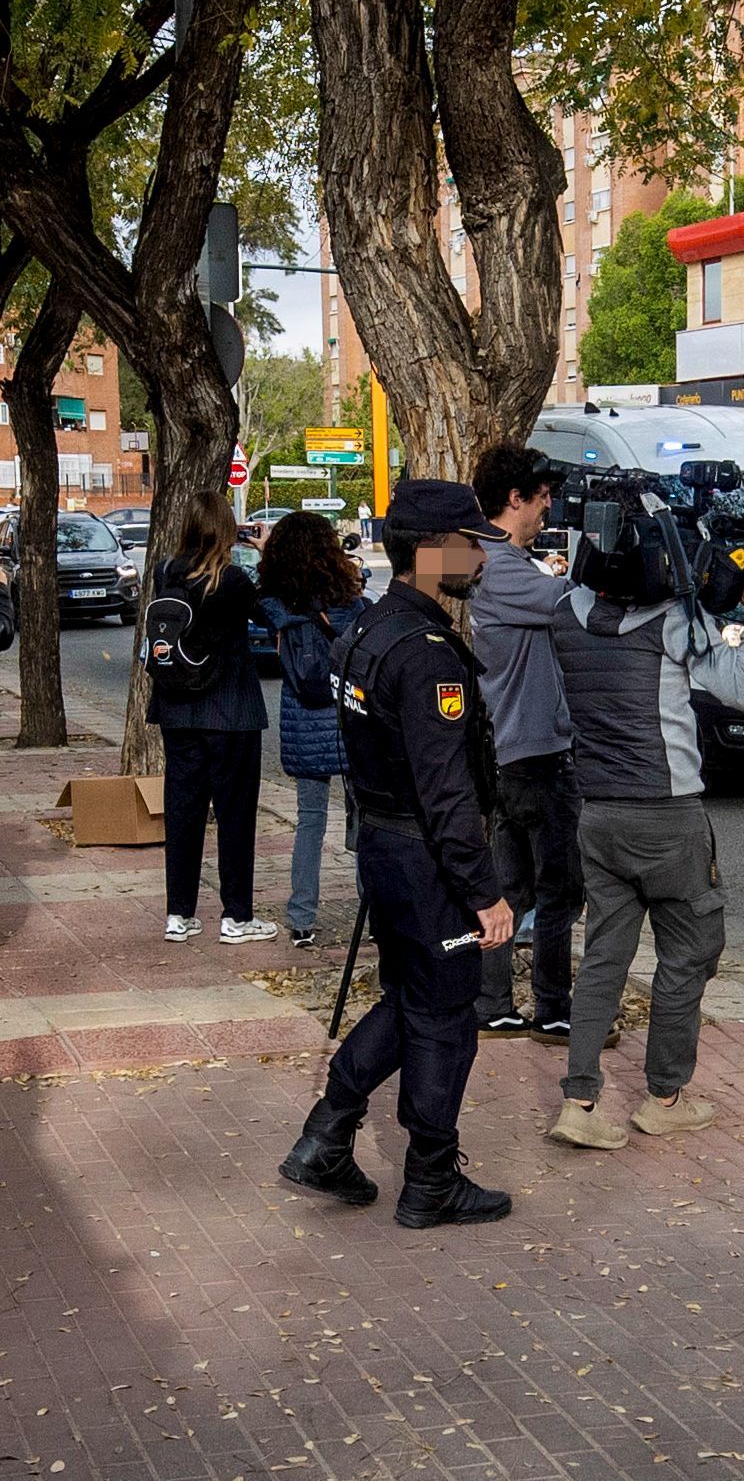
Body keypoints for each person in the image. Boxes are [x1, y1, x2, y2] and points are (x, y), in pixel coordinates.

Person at [278, 480, 516, 1228]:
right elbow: (446, 791)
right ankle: (430, 1179)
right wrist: (485, 892)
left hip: (383, 847)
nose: (481, 556)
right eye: (471, 543)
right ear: (432, 550)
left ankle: (326, 1134)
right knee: (444, 1013)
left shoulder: (369, 630)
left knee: (411, 997)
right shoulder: (425, 654)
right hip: (424, 859)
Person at [542, 538, 744, 1149]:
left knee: (603, 958)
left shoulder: (564, 613)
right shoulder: (676, 620)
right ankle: (664, 1098)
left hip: (598, 812)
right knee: (688, 956)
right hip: (668, 816)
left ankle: (579, 1102)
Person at [466, 444, 589, 1044]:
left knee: (509, 888)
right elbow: (578, 606)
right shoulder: (505, 570)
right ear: (515, 499)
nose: (548, 510)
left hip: (505, 751)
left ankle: (493, 1004)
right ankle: (554, 1008)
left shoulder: (476, 558)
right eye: (542, 499)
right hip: (536, 753)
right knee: (559, 889)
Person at [149, 493, 278, 945]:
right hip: (231, 709)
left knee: (183, 812)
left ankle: (178, 914)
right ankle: (236, 916)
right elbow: (269, 611)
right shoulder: (233, 580)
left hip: (178, 708)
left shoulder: (165, 571)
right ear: (226, 529)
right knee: (235, 815)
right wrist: (266, 553)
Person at [256, 512, 369, 948]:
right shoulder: (350, 600)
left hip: (304, 718)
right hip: (350, 715)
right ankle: (373, 913)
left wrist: (264, 551)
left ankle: (302, 918)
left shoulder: (278, 605)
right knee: (365, 817)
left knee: (310, 821)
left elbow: (261, 598)